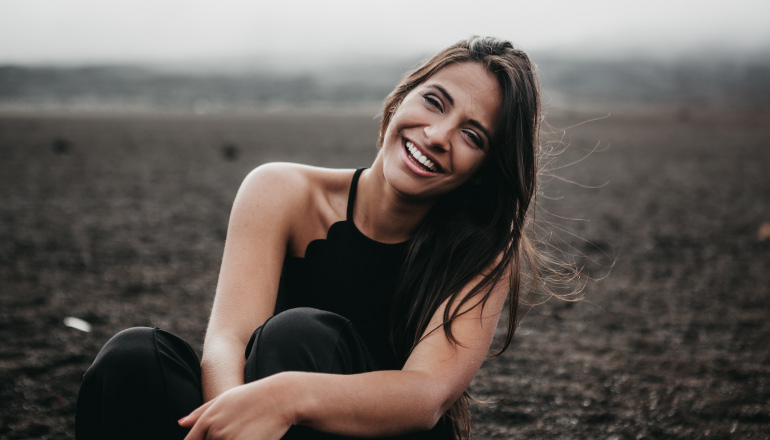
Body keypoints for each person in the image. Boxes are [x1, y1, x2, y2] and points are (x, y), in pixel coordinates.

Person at [76, 35, 545, 440]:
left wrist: (287, 397)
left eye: (473, 136)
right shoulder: (280, 190)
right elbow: (228, 340)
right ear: (402, 97)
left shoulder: (485, 248)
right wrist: (241, 417)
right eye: (434, 102)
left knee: (297, 337)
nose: (438, 134)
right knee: (133, 359)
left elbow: (427, 395)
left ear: (485, 173)